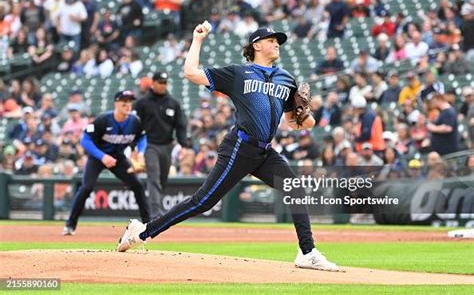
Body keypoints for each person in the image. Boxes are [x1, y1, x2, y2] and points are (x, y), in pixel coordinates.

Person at [117, 25, 342, 272]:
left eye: (278, 41)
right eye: (271, 40)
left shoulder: (286, 79)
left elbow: (295, 123)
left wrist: (306, 111)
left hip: (264, 152)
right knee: (202, 202)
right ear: (256, 45)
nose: (277, 43)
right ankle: (143, 231)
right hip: (240, 147)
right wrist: (197, 39)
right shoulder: (239, 74)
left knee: (295, 188)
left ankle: (307, 252)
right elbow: (191, 72)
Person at [62, 90, 150, 235]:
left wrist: (140, 152)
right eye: (124, 101)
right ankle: (70, 224)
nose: (127, 104)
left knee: (137, 185)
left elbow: (142, 138)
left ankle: (148, 225)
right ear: (116, 103)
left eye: (129, 101)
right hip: (97, 157)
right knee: (86, 187)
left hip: (118, 158)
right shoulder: (103, 119)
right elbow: (85, 140)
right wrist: (102, 156)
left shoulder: (134, 121)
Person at [134, 71, 188, 219]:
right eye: (160, 82)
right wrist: (134, 146)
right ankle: (156, 212)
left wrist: (183, 144)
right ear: (153, 83)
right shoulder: (142, 103)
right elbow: (135, 125)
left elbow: (180, 125)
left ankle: (156, 207)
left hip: (167, 146)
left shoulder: (173, 103)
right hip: (149, 145)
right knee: (154, 177)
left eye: (165, 83)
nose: (163, 85)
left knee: (163, 179)